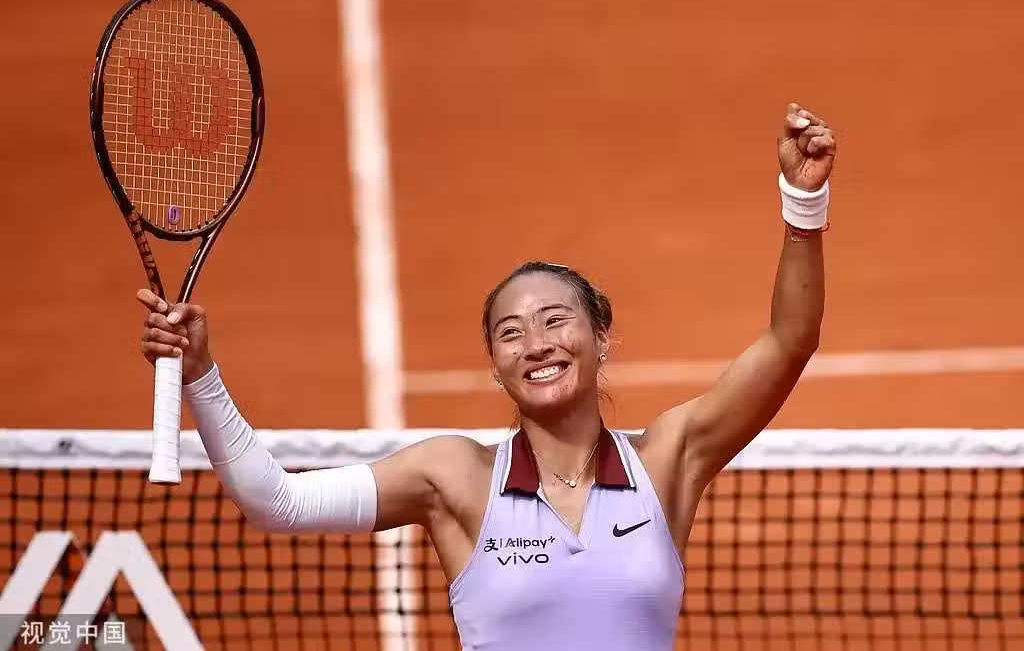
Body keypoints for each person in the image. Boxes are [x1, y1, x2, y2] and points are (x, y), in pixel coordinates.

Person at [137, 102, 835, 650]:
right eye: (511, 332)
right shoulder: (457, 478)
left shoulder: (668, 460)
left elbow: (790, 341)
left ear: (601, 338)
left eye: (555, 321)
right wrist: (201, 374)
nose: (536, 345)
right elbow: (276, 501)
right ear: (497, 368)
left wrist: (803, 205)